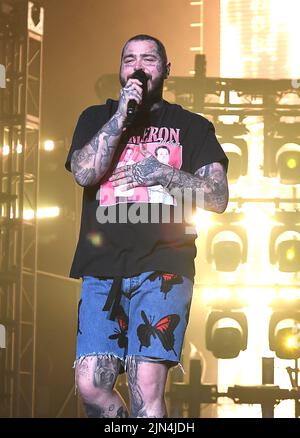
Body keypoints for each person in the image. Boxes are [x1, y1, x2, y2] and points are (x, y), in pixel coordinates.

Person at [65, 34, 229, 418]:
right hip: (102, 268)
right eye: (129, 59)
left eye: (149, 59)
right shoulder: (95, 117)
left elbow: (217, 198)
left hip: (164, 267)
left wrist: (162, 172)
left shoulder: (191, 127)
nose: (138, 66)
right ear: (120, 70)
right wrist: (121, 115)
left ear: (166, 70)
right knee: (90, 384)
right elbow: (85, 173)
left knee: (146, 382)